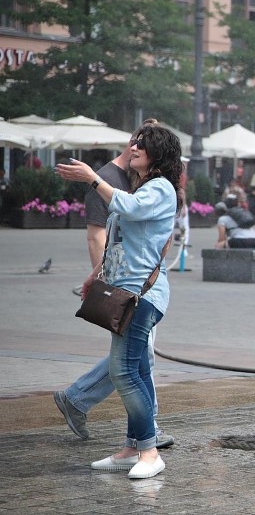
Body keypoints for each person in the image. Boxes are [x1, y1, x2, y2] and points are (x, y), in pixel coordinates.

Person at [56, 123, 184, 479]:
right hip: (125, 292)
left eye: (144, 144)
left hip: (141, 295)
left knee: (124, 371)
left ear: (159, 154)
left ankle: (149, 451)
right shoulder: (146, 186)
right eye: (134, 142)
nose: (134, 147)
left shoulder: (160, 188)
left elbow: (125, 207)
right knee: (136, 370)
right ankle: (132, 447)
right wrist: (95, 274)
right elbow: (118, 237)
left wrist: (93, 179)